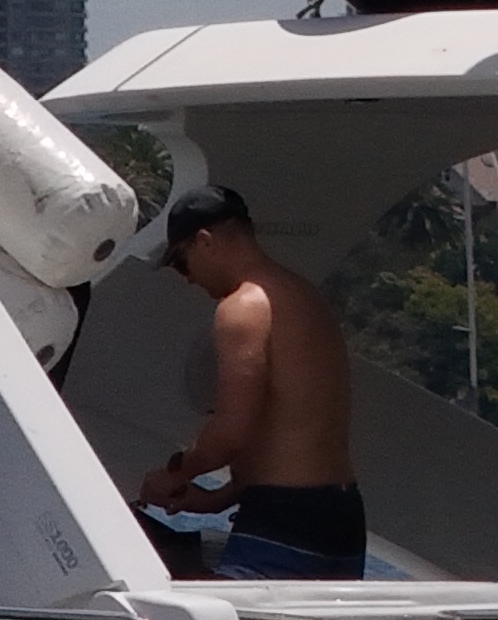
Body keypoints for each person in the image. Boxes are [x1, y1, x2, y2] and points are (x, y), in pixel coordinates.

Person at [136, 190, 364, 580]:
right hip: (340, 515)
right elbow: (297, 429)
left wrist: (174, 475)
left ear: (205, 242)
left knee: (156, 586)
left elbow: (230, 433)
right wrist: (218, 499)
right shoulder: (305, 297)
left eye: (181, 262)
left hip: (284, 518)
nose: (187, 278)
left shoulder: (242, 308)